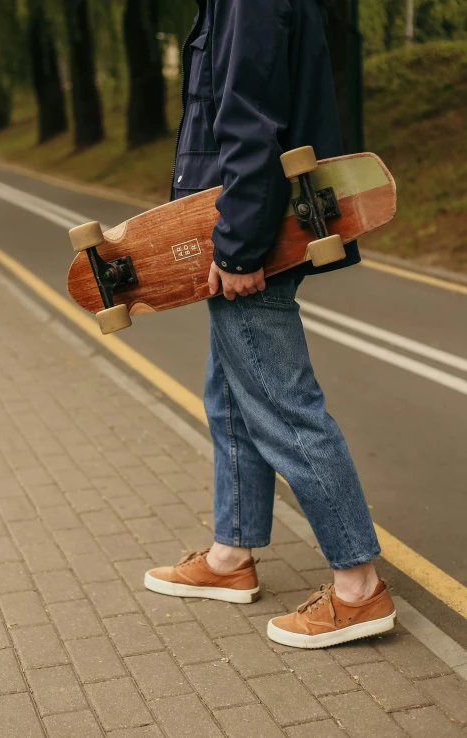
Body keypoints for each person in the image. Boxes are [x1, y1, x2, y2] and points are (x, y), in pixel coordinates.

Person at [144, 0, 396, 648]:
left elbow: (251, 124)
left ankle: (358, 587)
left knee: (286, 410)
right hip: (234, 226)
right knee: (231, 399)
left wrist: (237, 246)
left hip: (252, 237)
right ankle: (231, 556)